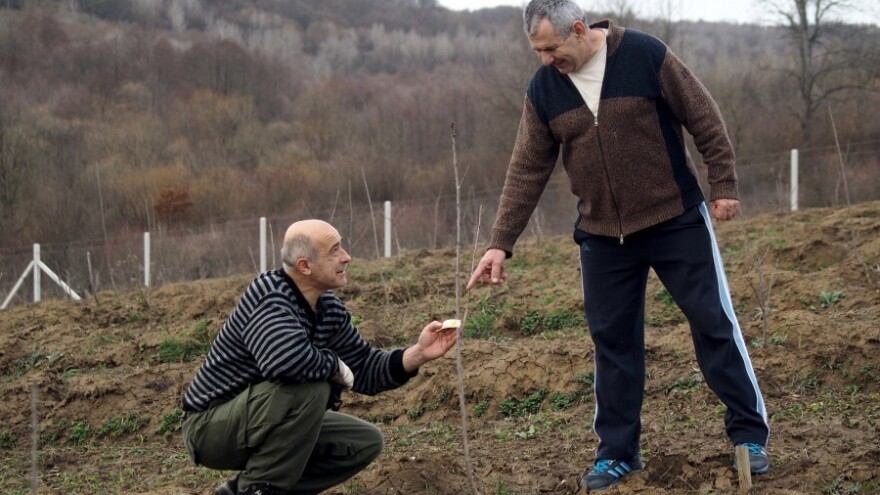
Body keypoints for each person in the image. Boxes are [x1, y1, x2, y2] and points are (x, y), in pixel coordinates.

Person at [467, 0, 770, 491]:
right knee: (613, 345)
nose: (545, 60)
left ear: (579, 29)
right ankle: (617, 454)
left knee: (713, 324)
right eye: (537, 51)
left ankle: (749, 437)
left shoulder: (644, 54)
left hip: (675, 218)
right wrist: (500, 243)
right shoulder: (544, 88)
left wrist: (724, 183)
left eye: (550, 48)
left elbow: (704, 116)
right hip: (603, 235)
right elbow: (526, 169)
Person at [181, 219, 457, 495]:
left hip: (259, 420)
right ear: (305, 266)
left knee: (361, 442)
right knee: (312, 388)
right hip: (210, 427)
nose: (346, 257)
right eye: (334, 251)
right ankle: (258, 490)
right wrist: (333, 364)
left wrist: (418, 354)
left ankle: (249, 491)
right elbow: (285, 363)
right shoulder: (270, 295)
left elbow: (363, 367)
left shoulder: (328, 308)